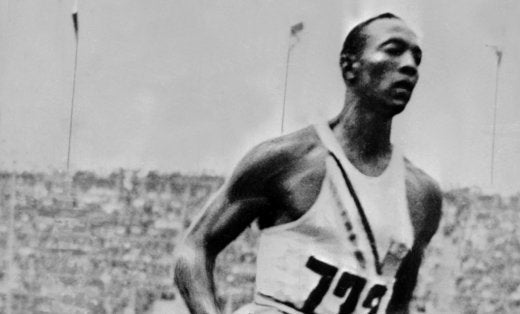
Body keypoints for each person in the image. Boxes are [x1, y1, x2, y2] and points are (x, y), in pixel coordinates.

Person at [174, 13, 442, 314]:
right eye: (393, 50)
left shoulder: (421, 194)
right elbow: (195, 247)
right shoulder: (288, 160)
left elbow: (398, 304)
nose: (409, 65)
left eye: (416, 57)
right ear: (349, 66)